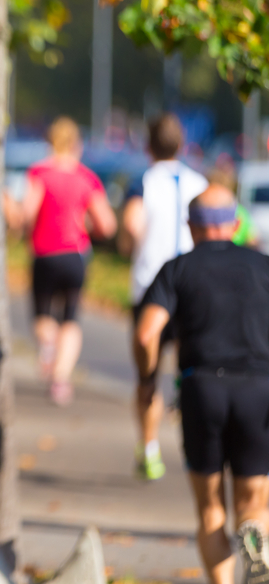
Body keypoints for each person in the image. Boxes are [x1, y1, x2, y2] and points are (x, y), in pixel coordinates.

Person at [136, 184, 269, 584]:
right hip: (258, 389)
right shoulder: (264, 266)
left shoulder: (177, 268)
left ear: (191, 226)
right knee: (253, 502)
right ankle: (256, 537)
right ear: (235, 223)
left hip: (202, 387)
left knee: (210, 508)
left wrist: (147, 379)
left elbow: (147, 334)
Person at [119, 113, 207, 480]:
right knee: (191, 369)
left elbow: (131, 224)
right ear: (182, 145)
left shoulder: (143, 181)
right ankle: (192, 441)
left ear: (148, 145)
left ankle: (150, 448)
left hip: (150, 286)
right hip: (192, 285)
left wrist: (129, 247)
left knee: (147, 375)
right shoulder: (198, 181)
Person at [23, 117, 116, 406]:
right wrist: (87, 225)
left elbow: (27, 212)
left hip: (44, 253)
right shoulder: (87, 177)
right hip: (75, 254)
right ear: (76, 143)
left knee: (43, 313)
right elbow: (108, 225)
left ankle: (48, 349)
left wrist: (28, 229)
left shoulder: (39, 172)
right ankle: (61, 379)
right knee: (71, 316)